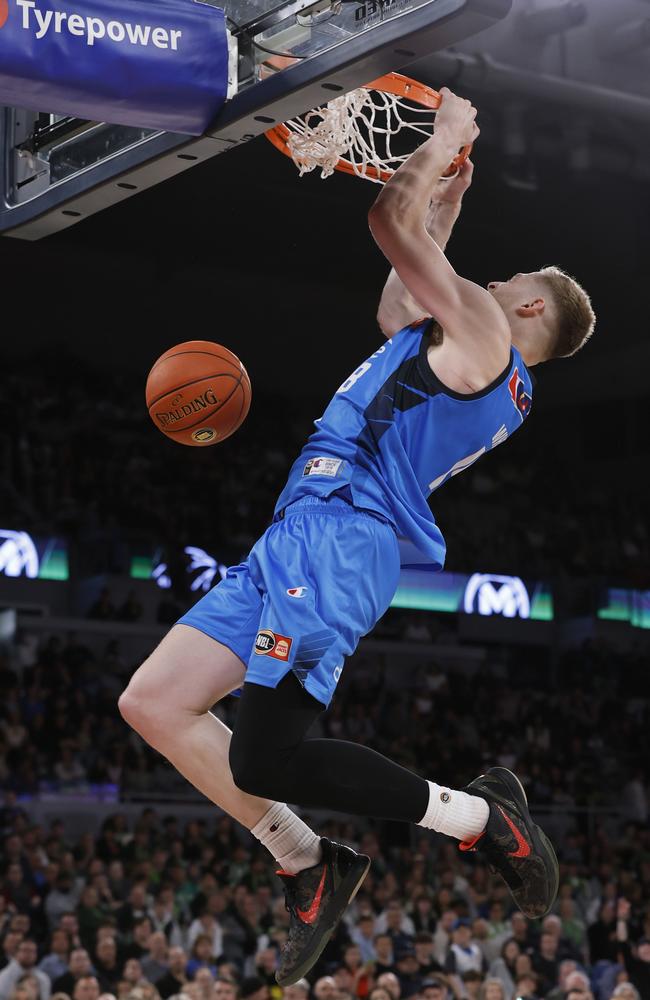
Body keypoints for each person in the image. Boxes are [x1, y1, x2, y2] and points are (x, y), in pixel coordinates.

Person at [119, 87, 594, 991]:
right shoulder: (456, 346)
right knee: (154, 703)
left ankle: (479, 820)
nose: (497, 285)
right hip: (298, 531)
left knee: (267, 754)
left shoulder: (490, 332)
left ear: (530, 314)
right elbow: (393, 305)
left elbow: (387, 220)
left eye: (513, 285)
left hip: (340, 537)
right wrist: (447, 204)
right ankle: (308, 861)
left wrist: (447, 138)